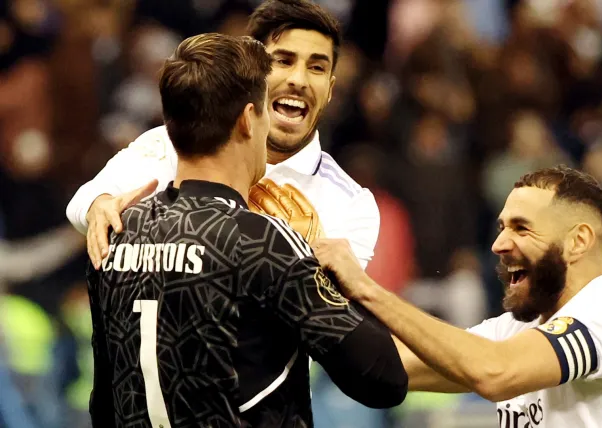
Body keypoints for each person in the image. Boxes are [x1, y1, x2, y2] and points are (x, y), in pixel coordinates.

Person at [86, 33, 406, 428]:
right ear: (246, 120)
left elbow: (104, 402)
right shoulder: (262, 240)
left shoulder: (115, 233)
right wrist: (325, 272)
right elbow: (383, 380)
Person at [314, 165, 602, 427]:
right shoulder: (515, 331)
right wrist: (304, 302)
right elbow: (386, 366)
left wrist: (366, 288)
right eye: (502, 227)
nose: (499, 244)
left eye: (521, 228)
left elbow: (495, 371)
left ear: (578, 241)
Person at [66, 0, 379, 274]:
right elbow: (85, 202)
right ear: (252, 73)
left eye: (317, 67)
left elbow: (333, 317)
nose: (299, 80)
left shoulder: (351, 204)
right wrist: (100, 205)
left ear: (331, 90)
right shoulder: (175, 143)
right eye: (283, 61)